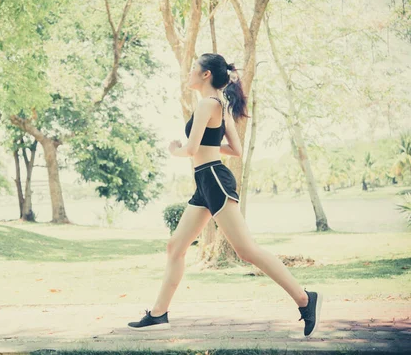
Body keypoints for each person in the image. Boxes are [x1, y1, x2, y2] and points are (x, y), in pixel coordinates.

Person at [127, 53, 323, 337]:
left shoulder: (208, 103)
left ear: (206, 74)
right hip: (206, 182)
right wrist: (206, 148)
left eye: (194, 69)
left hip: (214, 180)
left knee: (246, 251)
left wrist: (174, 150)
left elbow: (191, 150)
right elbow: (235, 150)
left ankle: (305, 299)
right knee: (175, 247)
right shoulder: (221, 105)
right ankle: (158, 313)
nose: (189, 74)